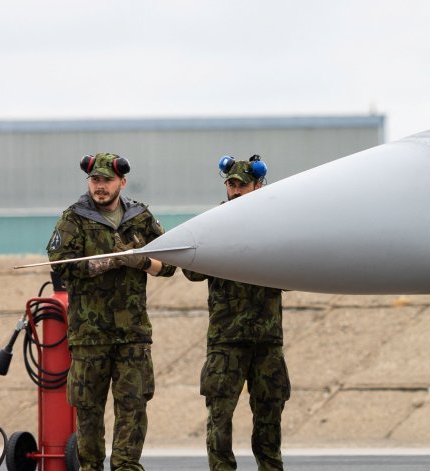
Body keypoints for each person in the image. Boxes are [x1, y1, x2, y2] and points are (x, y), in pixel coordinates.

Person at [47, 152, 177, 471]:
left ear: (122, 181)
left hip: (132, 334)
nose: (100, 187)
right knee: (89, 410)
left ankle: (126, 467)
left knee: (133, 406)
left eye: (106, 180)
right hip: (90, 336)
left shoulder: (140, 217)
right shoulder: (74, 218)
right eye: (95, 180)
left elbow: (171, 265)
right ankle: (91, 467)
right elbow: (61, 264)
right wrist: (109, 260)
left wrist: (141, 261)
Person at [183, 155, 290, 471]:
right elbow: (191, 271)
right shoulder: (212, 224)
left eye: (243, 184)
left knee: (270, 416)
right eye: (232, 184)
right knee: (220, 417)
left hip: (267, 340)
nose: (236, 190)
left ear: (258, 185)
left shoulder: (278, 225)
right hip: (226, 341)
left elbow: (295, 269)